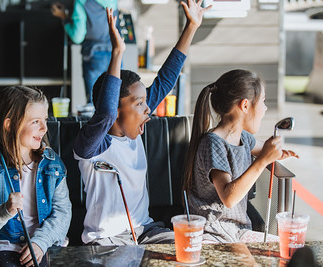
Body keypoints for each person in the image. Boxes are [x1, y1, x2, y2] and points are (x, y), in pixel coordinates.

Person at [73, 1, 211, 245]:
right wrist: (117, 53)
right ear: (116, 110)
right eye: (138, 104)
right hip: (106, 240)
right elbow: (104, 114)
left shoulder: (133, 129)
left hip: (145, 231)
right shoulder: (92, 147)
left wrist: (191, 27)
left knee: (185, 250)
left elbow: (166, 80)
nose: (147, 109)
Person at [182, 69, 298, 243]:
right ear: (245, 105)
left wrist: (276, 153)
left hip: (238, 232)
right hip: (211, 235)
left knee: (287, 247)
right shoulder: (212, 144)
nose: (265, 109)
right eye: (263, 102)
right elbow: (229, 197)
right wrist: (263, 159)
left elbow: (262, 149)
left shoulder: (244, 138)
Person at [0, 86, 72, 267]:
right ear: (9, 125)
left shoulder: (53, 165)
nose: (44, 128)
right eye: (35, 122)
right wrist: (5, 210)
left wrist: (40, 242)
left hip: (46, 242)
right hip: (6, 246)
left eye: (45, 120)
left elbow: (63, 212)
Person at [51, 0, 118, 105]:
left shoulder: (82, 2)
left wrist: (64, 18)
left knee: (95, 103)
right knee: (116, 100)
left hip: (94, 54)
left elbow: (77, 37)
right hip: (115, 53)